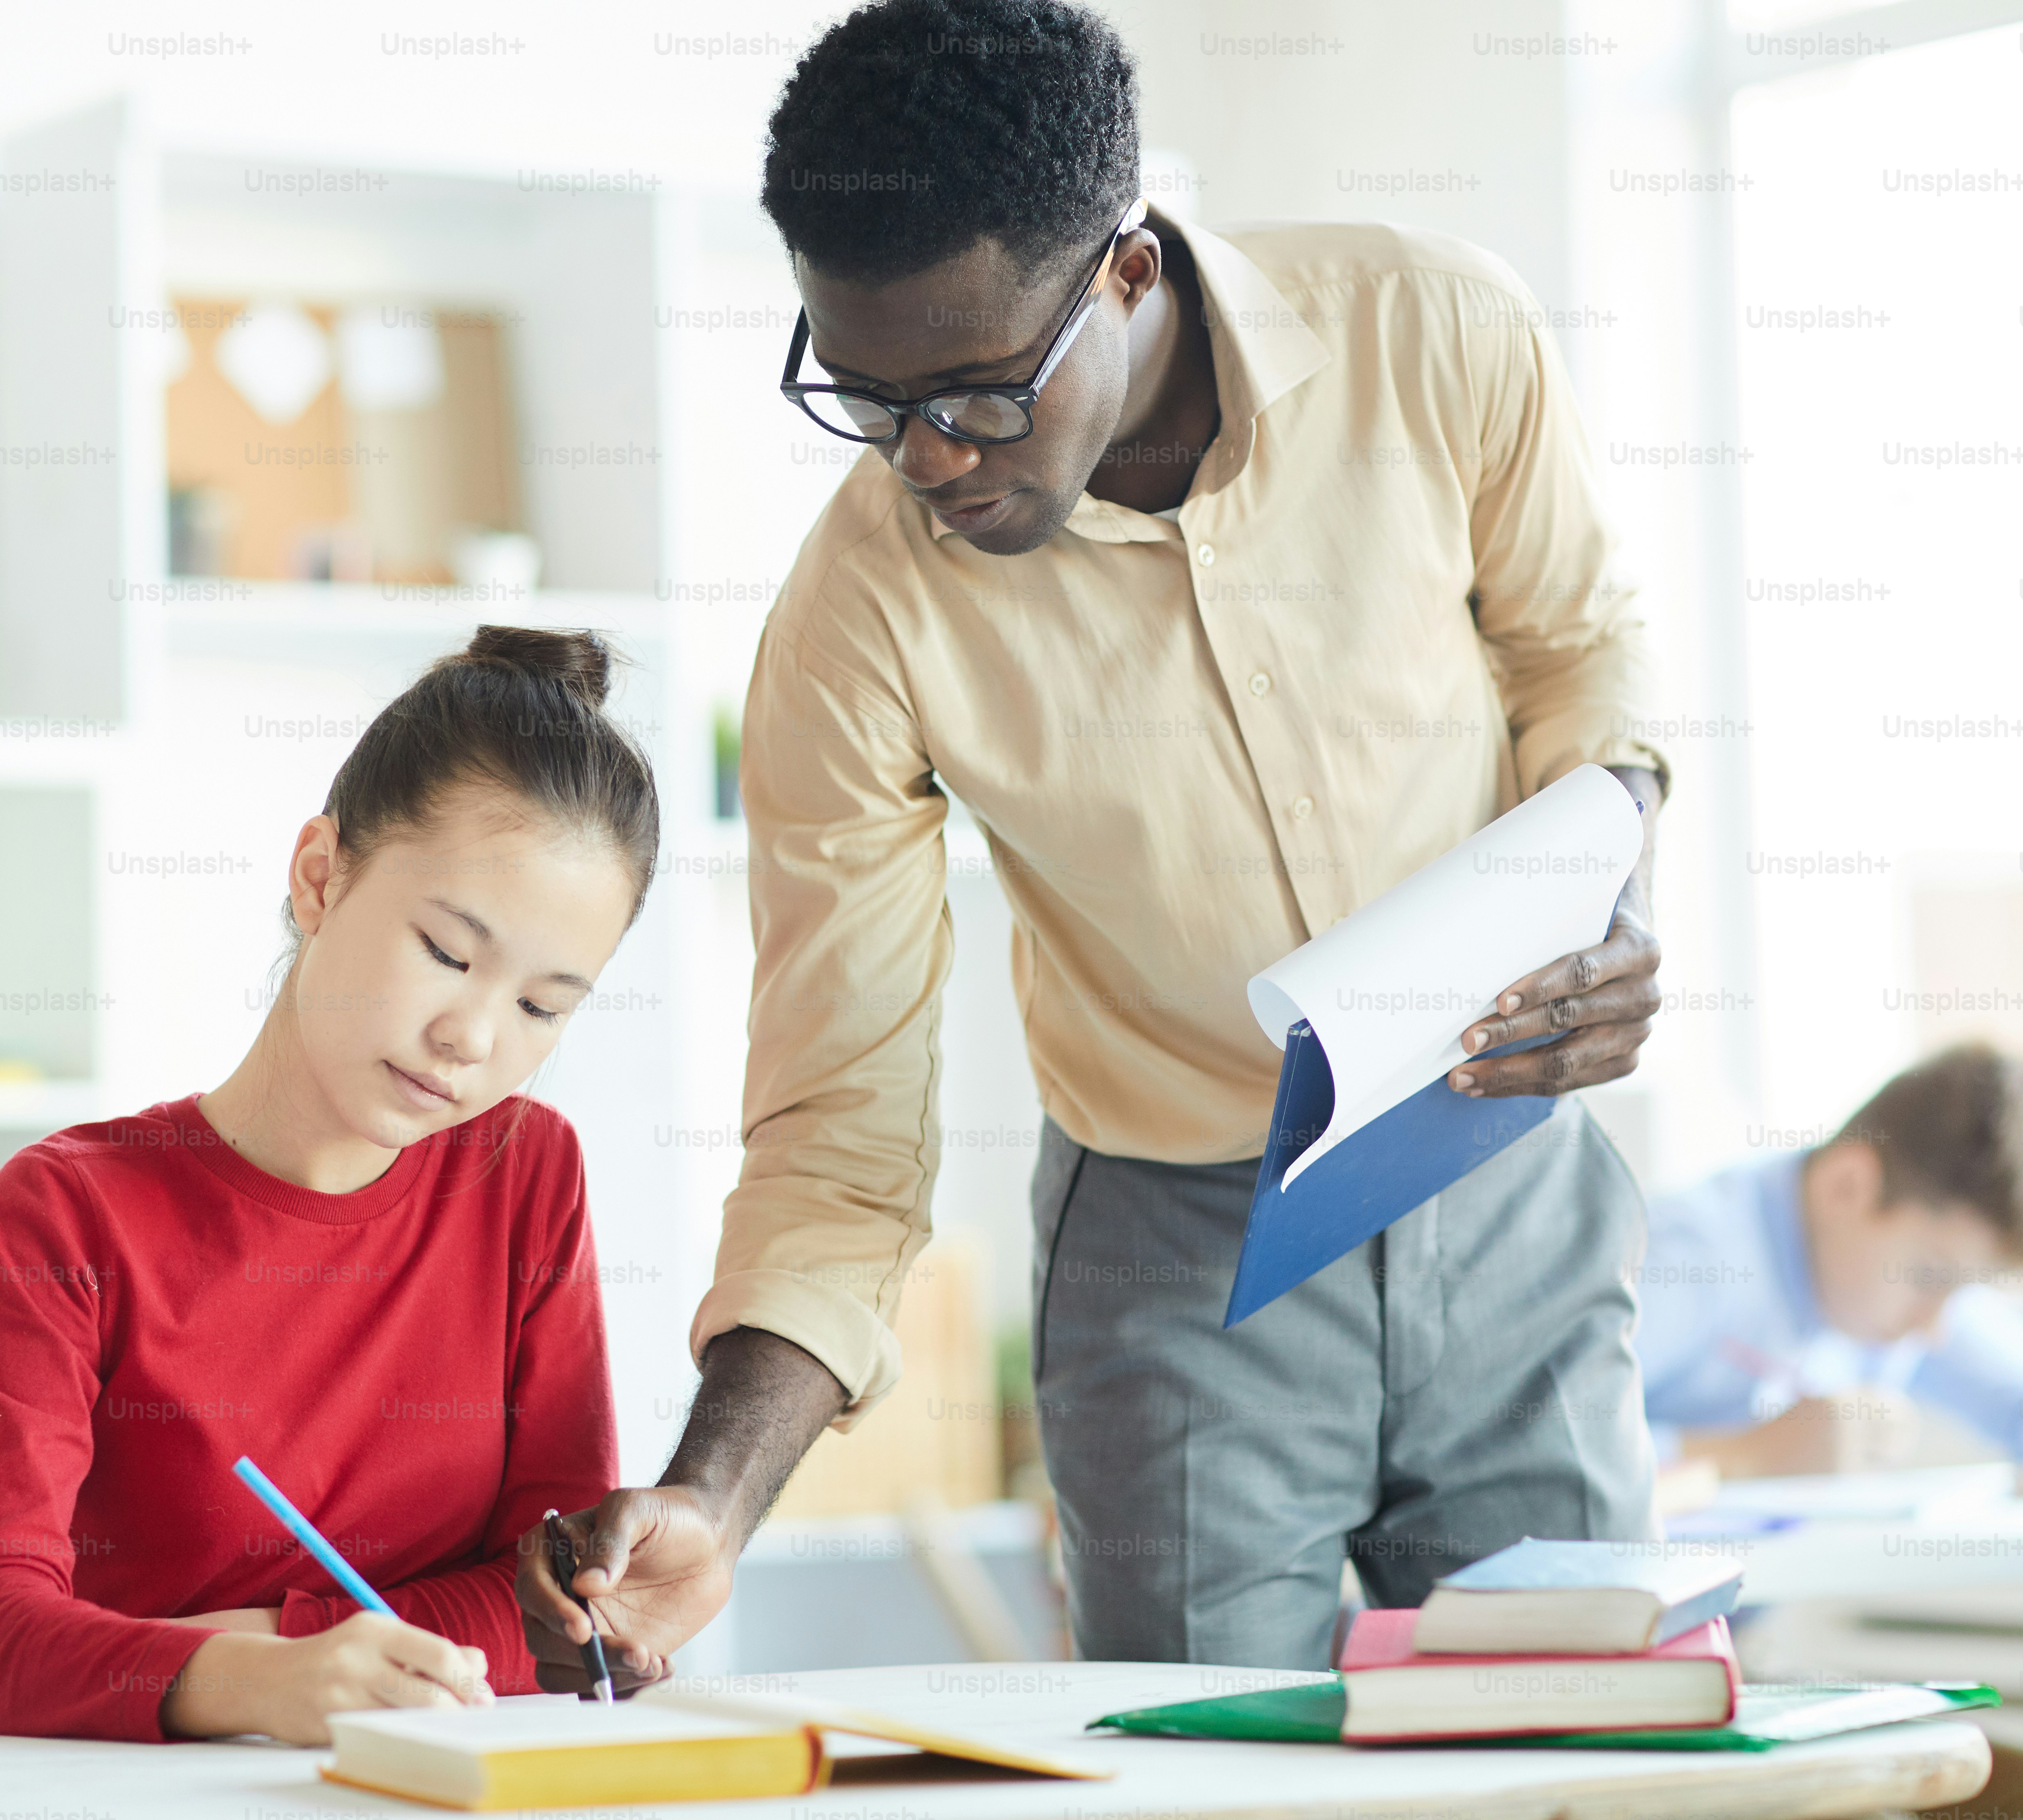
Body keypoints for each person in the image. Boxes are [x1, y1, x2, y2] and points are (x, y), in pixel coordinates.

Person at [520, 0, 1672, 1686]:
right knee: (1209, 1774)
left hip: (1505, 1171)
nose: (927, 460)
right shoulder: (857, 622)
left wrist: (1606, 892)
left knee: (1588, 1750)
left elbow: (1578, 651)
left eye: (981, 395)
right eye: (865, 397)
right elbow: (840, 1124)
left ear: (1127, 269)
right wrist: (714, 1494)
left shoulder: (1437, 334)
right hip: (1177, 1255)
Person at [0, 628, 660, 1742]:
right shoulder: (67, 1213)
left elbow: (549, 1603)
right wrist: (269, 1677)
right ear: (321, 877)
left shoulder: (527, 1174)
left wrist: (278, 1644)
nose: (471, 1037)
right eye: (449, 953)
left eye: (542, 1007)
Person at [1639, 1042, 2023, 1498]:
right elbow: (1559, 1443)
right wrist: (1743, 1456)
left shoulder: (1887, 1286)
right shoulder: (1686, 1258)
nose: (1934, 1330)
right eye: (1931, 1278)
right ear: (1847, 1186)